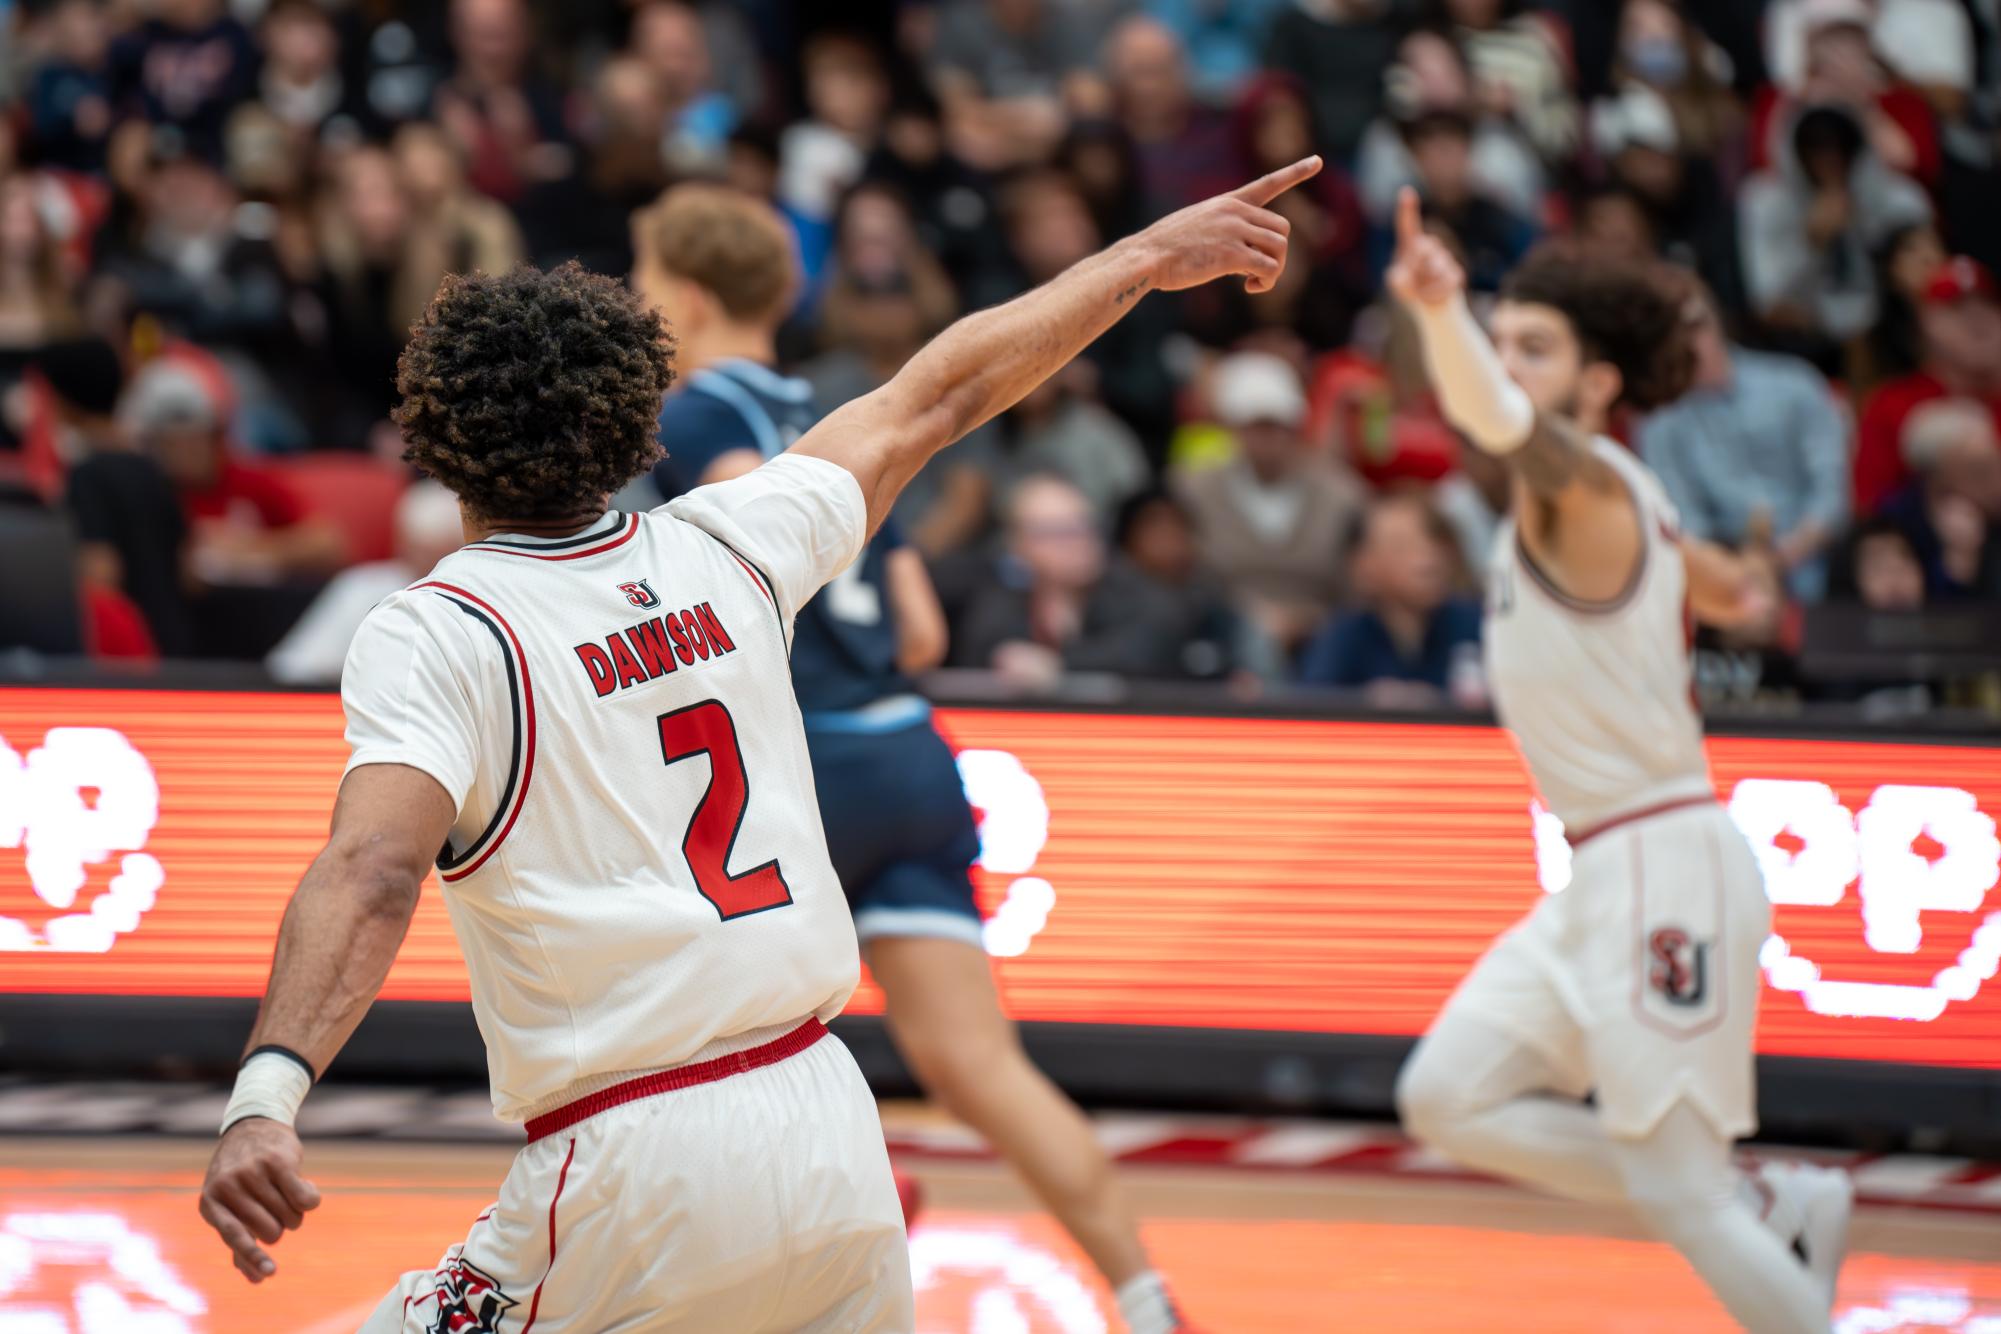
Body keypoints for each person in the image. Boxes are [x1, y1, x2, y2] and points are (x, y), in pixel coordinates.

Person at [196, 154, 1322, 1331]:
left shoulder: (441, 627)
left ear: (431, 430)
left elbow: (375, 868)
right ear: (634, 415)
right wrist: (1142, 259)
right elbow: (940, 391)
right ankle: (1139, 1292)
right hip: (830, 1126)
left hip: (628, 1158)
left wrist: (266, 1094)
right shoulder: (731, 544)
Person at [632, 182, 1198, 1332]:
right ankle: (1143, 1296)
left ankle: (825, 1205)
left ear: (684, 295)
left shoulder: (691, 416)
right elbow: (924, 631)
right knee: (978, 1064)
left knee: (695, 1050)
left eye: (642, 282)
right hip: (909, 748)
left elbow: (745, 561)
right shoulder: (831, 404)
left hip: (802, 766)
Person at [1382, 195, 1854, 1334]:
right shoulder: (1627, 495)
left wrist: (1441, 311)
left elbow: (1499, 425)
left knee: (1679, 1200)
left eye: (1533, 346)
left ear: (1598, 382)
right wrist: (1738, 580)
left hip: (1662, 862)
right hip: (1602, 870)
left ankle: (1735, 1206)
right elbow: (1731, 588)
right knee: (1445, 1095)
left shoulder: (1582, 482)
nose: (1508, 366)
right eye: (1502, 343)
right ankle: (1764, 1197)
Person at [1639, 284, 1850, 600]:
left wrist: (1784, 557)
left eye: (1695, 326)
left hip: (1818, 560)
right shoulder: (1658, 419)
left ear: (1717, 321)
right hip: (1722, 575)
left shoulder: (1795, 382)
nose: (1688, 343)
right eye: (1669, 334)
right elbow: (1682, 518)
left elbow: (1832, 491)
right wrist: (1736, 569)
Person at [1173, 350, 1366, 657]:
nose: (1268, 438)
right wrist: (1248, 618)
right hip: (1222, 635)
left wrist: (1308, 621)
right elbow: (1188, 574)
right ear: (1233, 427)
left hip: (1325, 635)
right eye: (1255, 426)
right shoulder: (1194, 489)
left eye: (1277, 425)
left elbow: (1357, 582)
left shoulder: (1342, 492)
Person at [265, 482, 465, 685]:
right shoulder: (361, 586)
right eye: (418, 551)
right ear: (402, 543)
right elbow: (295, 668)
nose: (426, 565)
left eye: (439, 554)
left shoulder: (478, 597)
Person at [1296, 490, 1483, 706]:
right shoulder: (1344, 634)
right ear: (1364, 566)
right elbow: (1313, 704)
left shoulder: (1476, 624)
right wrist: (1365, 701)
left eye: (1432, 541)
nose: (1428, 558)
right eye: (1402, 545)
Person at [1854, 255, 2001, 513]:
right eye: (1958, 308)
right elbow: (1870, 511)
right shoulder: (1893, 405)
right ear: (1926, 324)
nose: (1978, 319)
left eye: (1988, 305)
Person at [1880, 397, 2001, 600]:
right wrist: (1958, 561)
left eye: (1997, 463)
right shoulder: (1894, 523)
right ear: (1935, 477)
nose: (1997, 480)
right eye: (1979, 470)